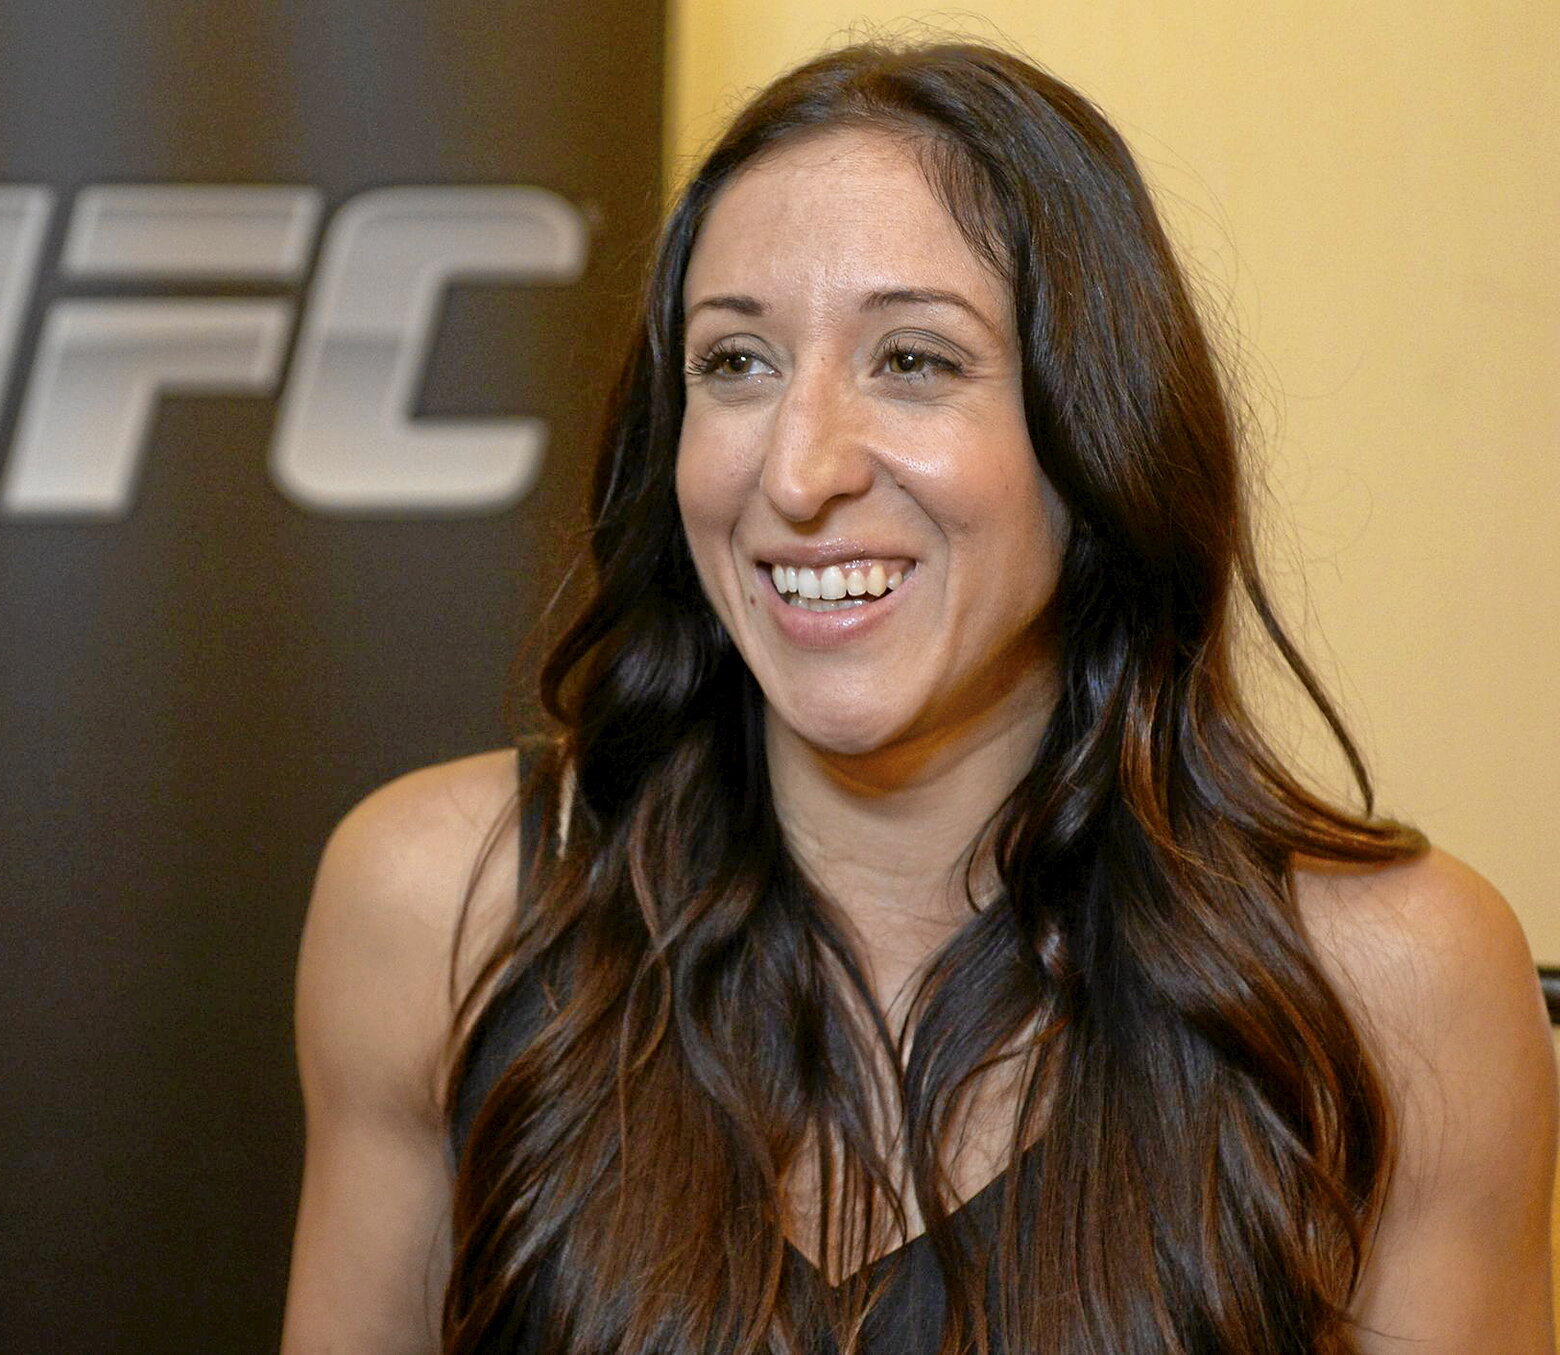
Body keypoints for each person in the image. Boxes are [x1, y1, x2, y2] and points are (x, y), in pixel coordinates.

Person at [279, 40, 1556, 1355]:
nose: (799, 470)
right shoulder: (445, 908)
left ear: (1098, 427)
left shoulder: (1395, 985)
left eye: (914, 361)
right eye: (736, 362)